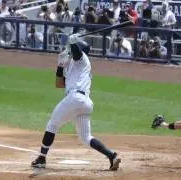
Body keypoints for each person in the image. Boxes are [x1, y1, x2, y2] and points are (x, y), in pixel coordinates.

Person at [31, 34, 121, 171]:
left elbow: (77, 52)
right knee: (86, 137)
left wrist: (72, 41)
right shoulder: (74, 66)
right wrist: (60, 66)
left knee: (52, 124)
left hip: (75, 99)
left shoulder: (82, 59)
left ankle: (41, 159)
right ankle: (112, 156)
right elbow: (59, 84)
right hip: (84, 103)